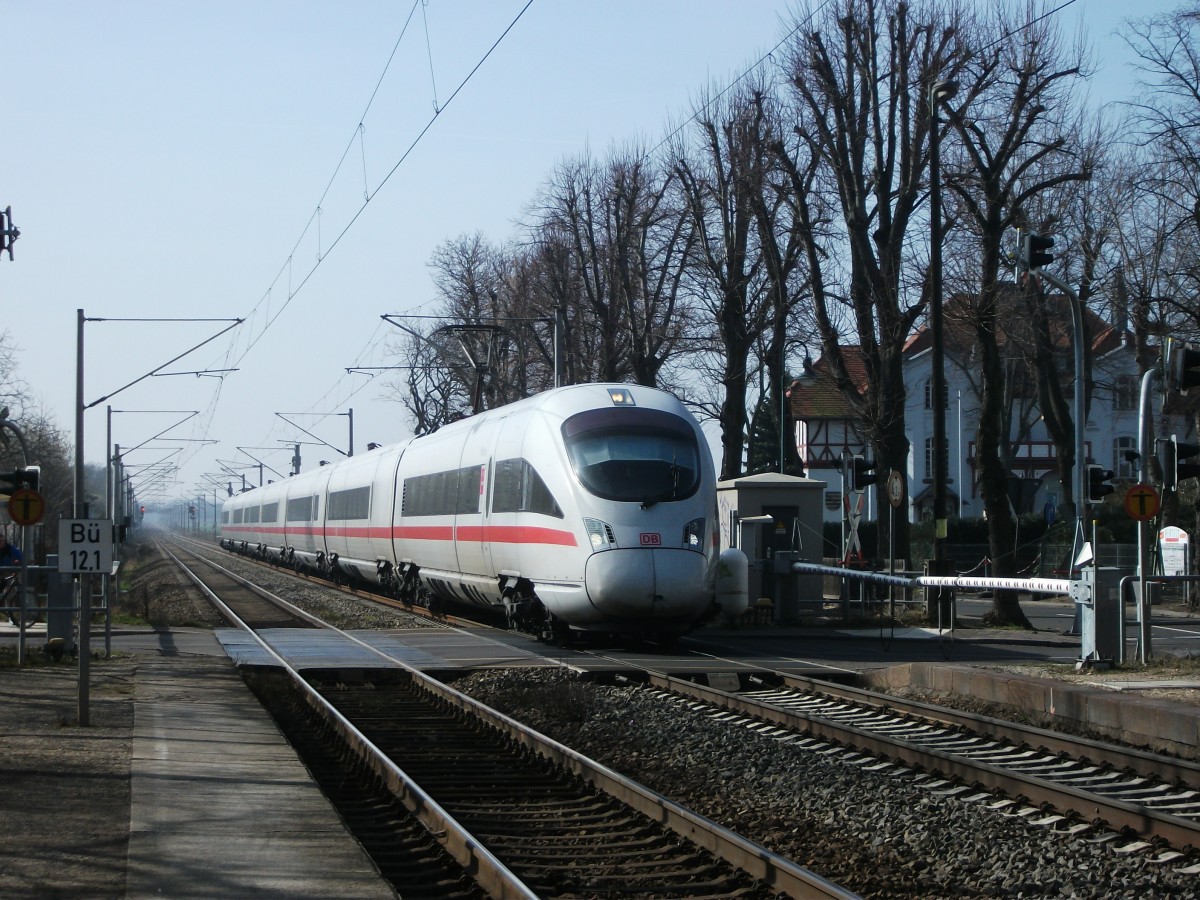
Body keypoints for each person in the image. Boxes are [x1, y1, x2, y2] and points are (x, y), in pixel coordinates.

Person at [0, 532, 22, 625]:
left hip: (8, 571)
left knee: (9, 594)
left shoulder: (9, 549)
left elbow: (20, 556)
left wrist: (18, 563)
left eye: (2, 541)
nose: (1, 543)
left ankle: (11, 616)